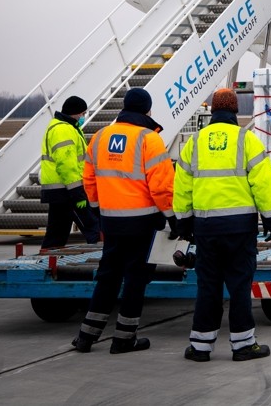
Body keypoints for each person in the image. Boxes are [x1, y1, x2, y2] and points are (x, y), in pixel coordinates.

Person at [174, 88, 271, 362]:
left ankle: (200, 346)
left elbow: (182, 186)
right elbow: (264, 183)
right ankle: (243, 345)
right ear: (235, 111)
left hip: (206, 228)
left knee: (208, 286)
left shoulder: (194, 142)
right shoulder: (248, 140)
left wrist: (184, 222)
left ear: (211, 111)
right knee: (239, 286)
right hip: (239, 229)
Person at [72, 88, 176, 355]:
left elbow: (89, 179)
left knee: (107, 277)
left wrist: (97, 209)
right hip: (142, 222)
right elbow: (162, 187)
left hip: (110, 221)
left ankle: (86, 336)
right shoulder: (149, 139)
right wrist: (172, 218)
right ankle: (124, 339)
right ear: (147, 110)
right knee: (135, 280)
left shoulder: (99, 137)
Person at [39, 95, 100, 250]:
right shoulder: (63, 130)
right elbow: (66, 164)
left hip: (61, 190)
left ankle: (48, 257)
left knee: (57, 231)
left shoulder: (65, 127)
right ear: (75, 113)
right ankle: (103, 259)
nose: (83, 117)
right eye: (83, 113)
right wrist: (77, 192)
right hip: (67, 190)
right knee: (93, 227)